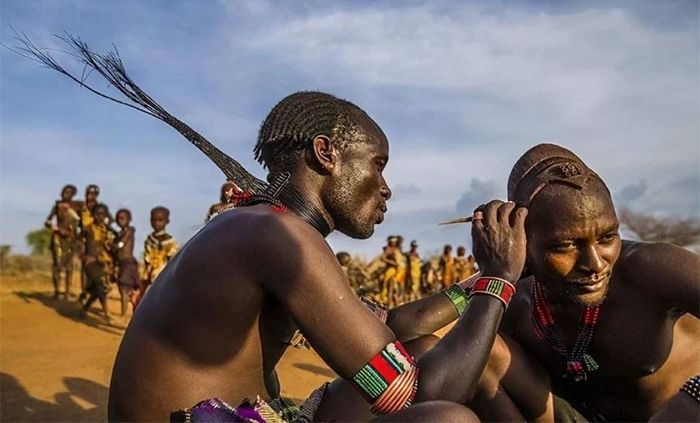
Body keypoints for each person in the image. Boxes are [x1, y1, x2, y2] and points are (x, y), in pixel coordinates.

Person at [108, 91, 528, 422]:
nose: (386, 188)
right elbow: (417, 396)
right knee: (446, 420)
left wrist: (475, 282)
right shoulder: (279, 236)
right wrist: (500, 279)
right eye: (377, 165)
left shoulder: (262, 225)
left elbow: (390, 326)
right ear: (325, 153)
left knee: (417, 348)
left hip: (237, 415)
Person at [471, 144, 700, 422]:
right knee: (483, 354)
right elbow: (411, 331)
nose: (595, 264)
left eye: (607, 237)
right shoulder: (517, 302)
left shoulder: (651, 269)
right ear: (524, 240)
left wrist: (692, 400)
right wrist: (496, 274)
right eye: (565, 245)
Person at [79, 203, 115, 322]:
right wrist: (83, 255)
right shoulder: (87, 228)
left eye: (103, 214)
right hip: (90, 262)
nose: (100, 217)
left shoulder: (107, 230)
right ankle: (106, 313)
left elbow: (112, 244)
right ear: (93, 215)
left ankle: (85, 308)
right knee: (100, 285)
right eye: (97, 214)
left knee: (98, 289)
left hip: (103, 262)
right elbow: (79, 241)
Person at [44, 184, 81, 299]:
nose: (65, 193)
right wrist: (55, 228)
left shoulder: (76, 207)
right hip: (58, 239)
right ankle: (57, 291)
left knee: (69, 266)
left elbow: (81, 223)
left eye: (68, 192)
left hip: (71, 239)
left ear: (73, 194)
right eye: (64, 191)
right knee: (56, 265)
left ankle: (67, 292)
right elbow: (48, 221)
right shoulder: (57, 205)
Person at [141, 206, 178, 294]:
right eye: (154, 220)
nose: (156, 223)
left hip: (164, 277)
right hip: (149, 277)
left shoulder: (169, 242)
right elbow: (146, 260)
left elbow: (172, 261)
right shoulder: (149, 240)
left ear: (167, 221)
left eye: (160, 220)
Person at [113, 209, 140, 319]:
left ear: (129, 219)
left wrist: (114, 245)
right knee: (123, 289)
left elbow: (120, 244)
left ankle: (123, 316)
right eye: (118, 219)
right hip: (121, 264)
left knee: (124, 288)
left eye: (123, 218)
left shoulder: (130, 230)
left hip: (128, 263)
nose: (121, 221)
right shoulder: (119, 233)